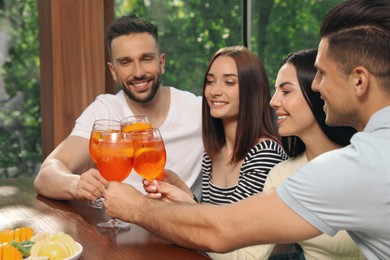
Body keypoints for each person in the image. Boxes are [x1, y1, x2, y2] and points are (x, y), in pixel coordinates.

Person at [102, 0, 390, 258]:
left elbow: (224, 232)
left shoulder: (360, 165)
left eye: (323, 74)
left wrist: (137, 208)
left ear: (359, 81)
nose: (315, 86)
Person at [209, 49, 363, 259]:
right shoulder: (282, 174)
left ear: (318, 93)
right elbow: (249, 256)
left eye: (286, 91)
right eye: (275, 91)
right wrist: (184, 212)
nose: (273, 101)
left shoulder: (363, 163)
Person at [34, 14, 203, 201]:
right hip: (119, 227)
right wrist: (76, 184)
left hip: (179, 225)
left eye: (146, 58)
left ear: (161, 63)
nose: (138, 72)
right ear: (113, 71)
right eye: (125, 62)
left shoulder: (198, 110)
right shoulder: (104, 111)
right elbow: (46, 175)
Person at [144, 46, 287, 205]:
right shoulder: (213, 154)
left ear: (252, 90)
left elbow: (231, 225)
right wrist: (181, 191)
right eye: (210, 81)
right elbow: (209, 215)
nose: (215, 91)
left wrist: (186, 203)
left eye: (229, 82)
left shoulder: (265, 152)